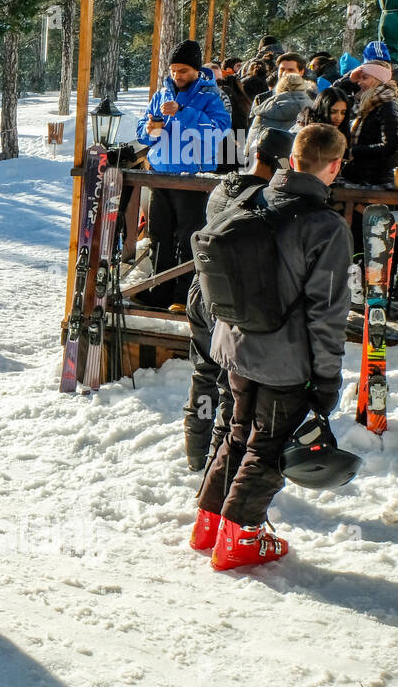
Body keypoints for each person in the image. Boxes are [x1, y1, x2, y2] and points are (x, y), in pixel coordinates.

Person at [192, 123, 351, 570]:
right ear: (335, 166)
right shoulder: (326, 227)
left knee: (239, 432)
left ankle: (209, 522)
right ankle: (239, 537)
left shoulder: (252, 197)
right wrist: (326, 376)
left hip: (236, 344)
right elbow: (328, 313)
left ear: (292, 159)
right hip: (285, 360)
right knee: (268, 445)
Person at [183, 128, 288, 471]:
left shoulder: (220, 189)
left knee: (202, 373)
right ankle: (216, 462)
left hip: (200, 290)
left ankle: (196, 452)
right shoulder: (265, 200)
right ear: (283, 163)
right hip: (233, 304)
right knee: (231, 387)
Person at [135, 39, 232, 310]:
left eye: (183, 71)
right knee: (158, 235)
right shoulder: (160, 94)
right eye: (174, 70)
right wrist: (150, 130)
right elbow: (143, 126)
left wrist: (182, 113)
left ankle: (182, 295)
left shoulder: (209, 96)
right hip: (160, 175)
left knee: (189, 236)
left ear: (196, 70)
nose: (177, 76)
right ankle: (157, 290)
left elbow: (219, 130)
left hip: (192, 177)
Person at [333, 59, 398, 188]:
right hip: (360, 176)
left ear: (377, 80)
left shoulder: (387, 105)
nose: (359, 83)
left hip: (375, 181)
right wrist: (347, 80)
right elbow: (330, 96)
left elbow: (390, 146)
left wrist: (353, 151)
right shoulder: (364, 102)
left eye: (364, 78)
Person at [244, 73, 313, 153]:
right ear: (303, 87)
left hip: (266, 161)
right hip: (298, 161)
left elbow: (250, 149)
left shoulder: (264, 111)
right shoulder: (313, 111)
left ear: (279, 88)